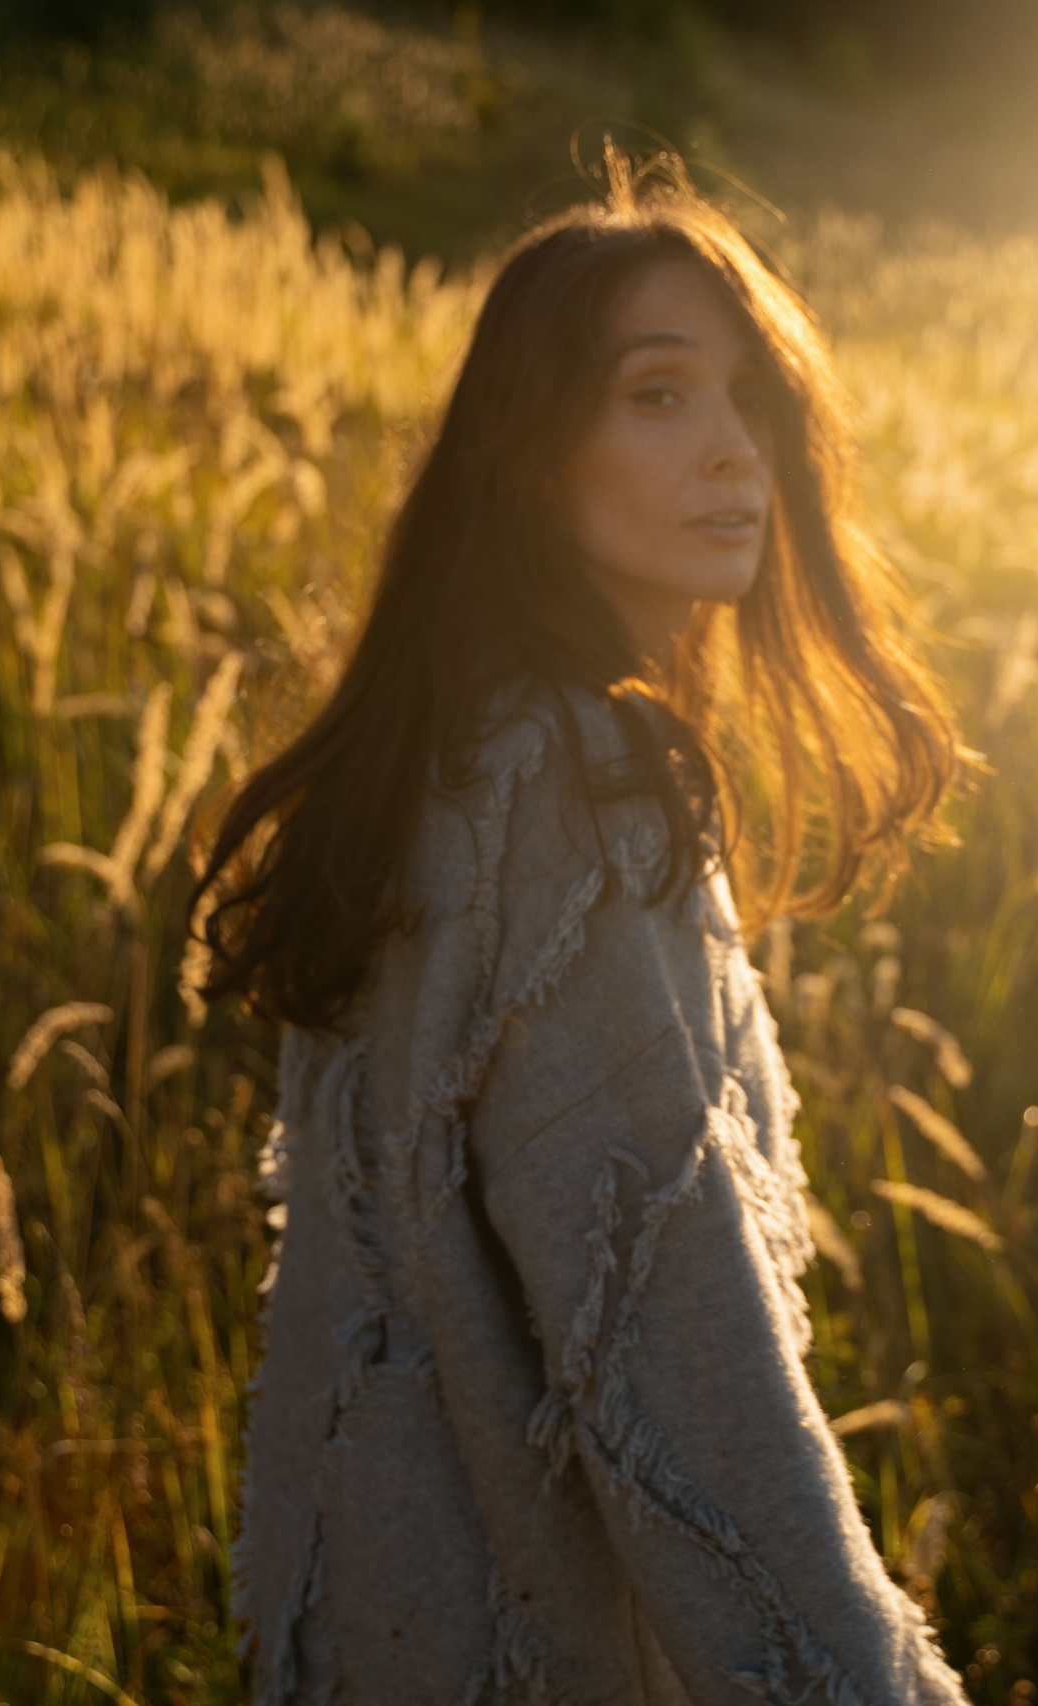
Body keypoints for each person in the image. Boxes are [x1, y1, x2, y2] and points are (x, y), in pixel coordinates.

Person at [183, 146, 975, 1705]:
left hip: (389, 1627)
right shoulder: (571, 780)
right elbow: (677, 1350)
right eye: (662, 397)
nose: (736, 454)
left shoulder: (449, 756)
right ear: (532, 452)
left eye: (752, 401)